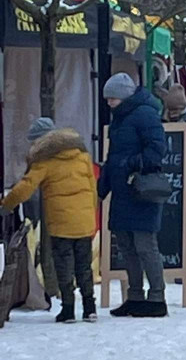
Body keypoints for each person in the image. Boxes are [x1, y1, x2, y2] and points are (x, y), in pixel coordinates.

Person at [1, 118, 98, 323]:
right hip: (84, 220)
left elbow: (26, 187)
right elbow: (92, 187)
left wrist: (6, 204)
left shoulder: (44, 160)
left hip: (61, 222)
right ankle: (90, 308)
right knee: (84, 266)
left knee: (63, 265)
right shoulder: (81, 155)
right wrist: (90, 212)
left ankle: (69, 310)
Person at [98, 73, 169, 318]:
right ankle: (135, 295)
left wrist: (130, 164)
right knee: (127, 246)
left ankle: (157, 297)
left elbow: (157, 150)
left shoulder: (144, 114)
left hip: (140, 190)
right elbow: (112, 156)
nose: (108, 102)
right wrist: (105, 183)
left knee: (145, 245)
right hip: (123, 190)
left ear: (124, 96)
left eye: (112, 97)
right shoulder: (120, 118)